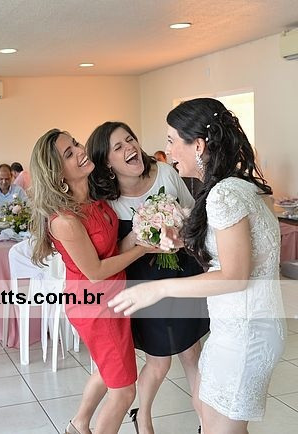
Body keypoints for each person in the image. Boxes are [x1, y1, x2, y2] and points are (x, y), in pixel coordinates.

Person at [109, 98, 286, 434]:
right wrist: (182, 239)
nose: (167, 151)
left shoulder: (224, 195)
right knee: (212, 415)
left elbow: (234, 276)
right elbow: (233, 249)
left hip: (244, 332)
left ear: (199, 145)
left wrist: (158, 289)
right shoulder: (237, 184)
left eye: (172, 140)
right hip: (243, 325)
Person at [29, 128, 160, 434]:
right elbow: (96, 272)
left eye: (75, 143)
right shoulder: (65, 220)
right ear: (57, 173)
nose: (80, 150)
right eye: (69, 153)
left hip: (113, 297)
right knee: (124, 390)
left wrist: (145, 230)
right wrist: (143, 249)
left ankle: (78, 425)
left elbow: (113, 250)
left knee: (107, 370)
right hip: (96, 308)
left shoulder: (94, 200)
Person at [86, 121, 209, 434]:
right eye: (118, 147)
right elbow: (112, 252)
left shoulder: (165, 173)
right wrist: (143, 233)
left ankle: (207, 424)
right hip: (143, 283)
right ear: (107, 163)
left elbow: (192, 214)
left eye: (130, 139)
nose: (130, 147)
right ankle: (143, 416)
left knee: (192, 352)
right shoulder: (106, 200)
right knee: (159, 360)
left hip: (182, 273)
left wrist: (177, 229)